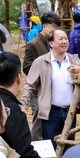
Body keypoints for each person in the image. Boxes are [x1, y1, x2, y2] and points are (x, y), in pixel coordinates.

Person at [22, 28, 80, 147]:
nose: (65, 41)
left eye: (66, 38)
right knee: (51, 147)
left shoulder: (74, 60)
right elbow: (30, 85)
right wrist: (24, 105)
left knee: (68, 146)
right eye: (61, 39)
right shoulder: (40, 62)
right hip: (51, 113)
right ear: (51, 43)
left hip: (70, 113)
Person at [23, 11, 61, 140]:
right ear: (44, 26)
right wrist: (43, 73)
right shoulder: (34, 44)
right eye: (53, 27)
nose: (55, 30)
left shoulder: (51, 43)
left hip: (51, 89)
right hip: (37, 90)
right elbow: (27, 67)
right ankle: (37, 150)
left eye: (57, 27)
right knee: (39, 122)